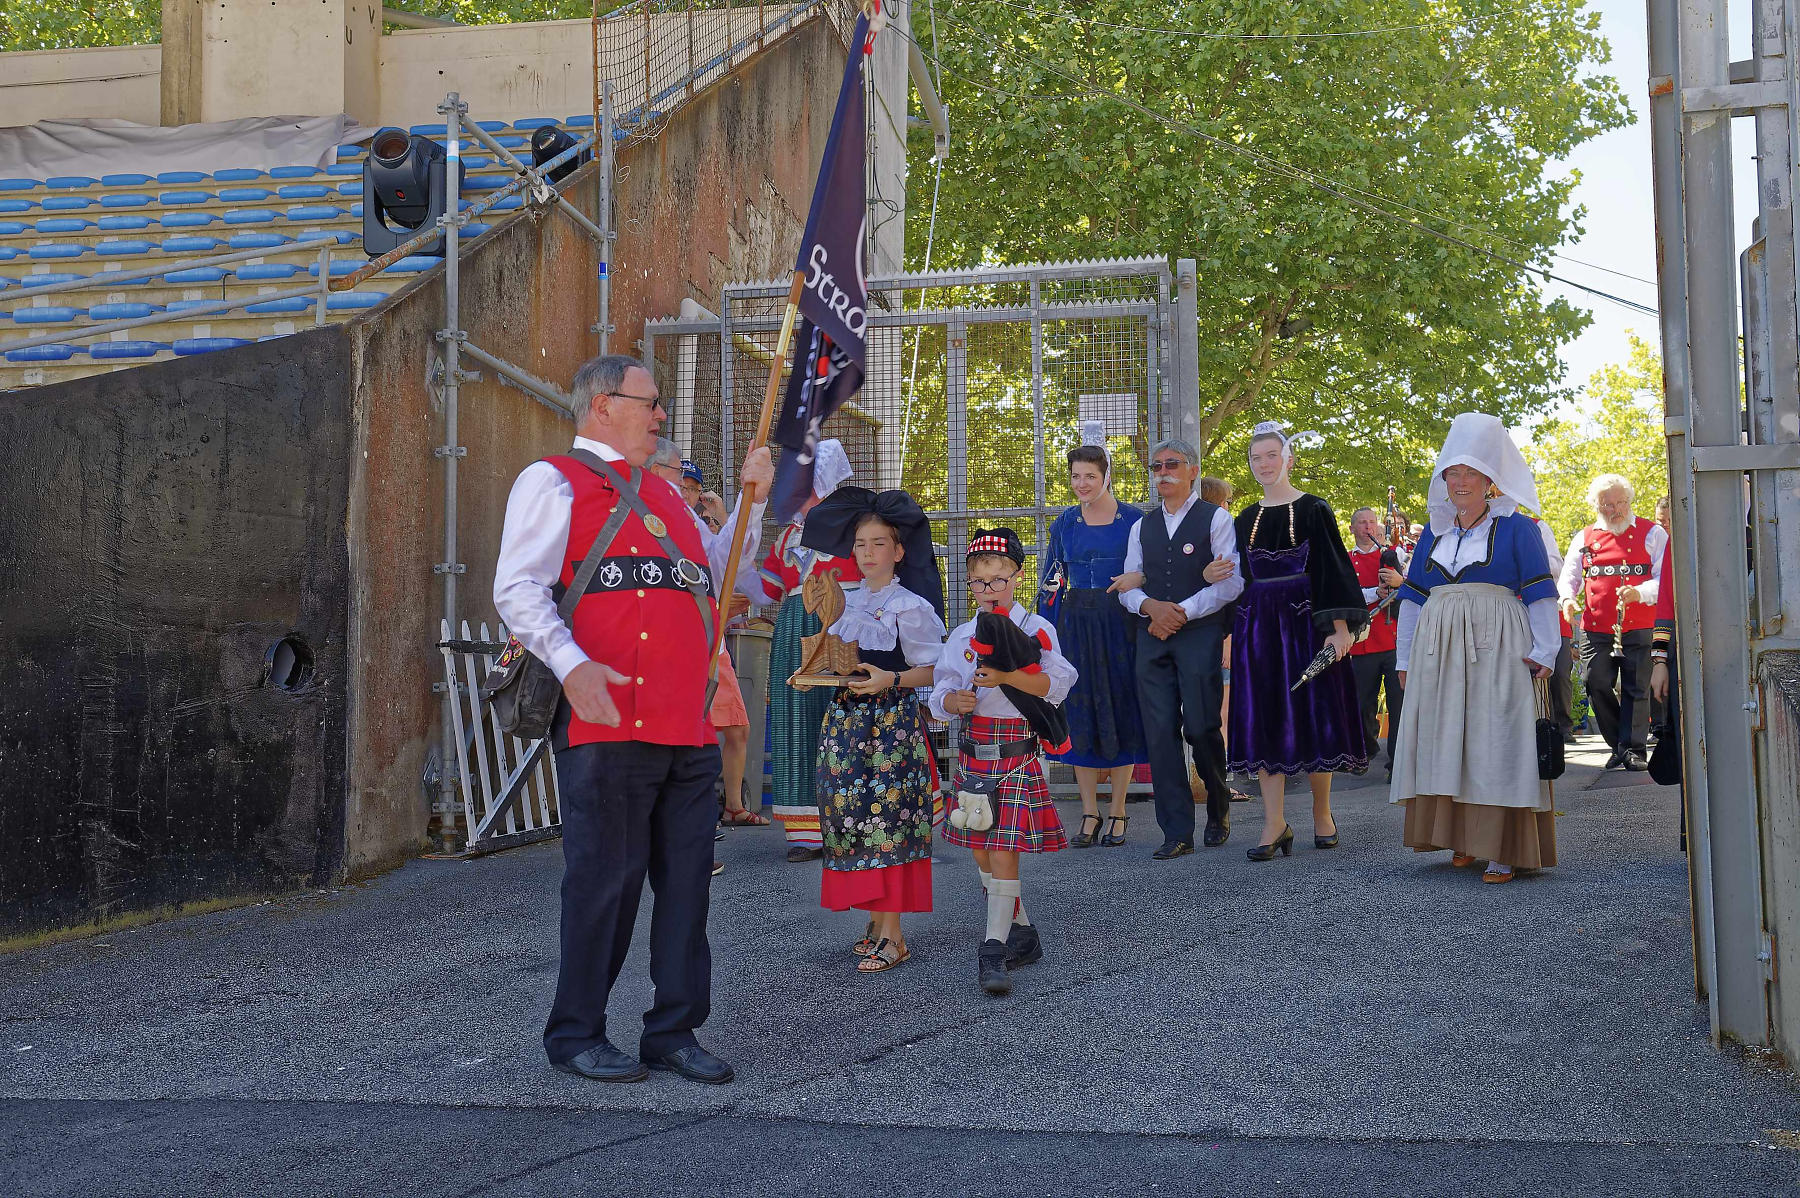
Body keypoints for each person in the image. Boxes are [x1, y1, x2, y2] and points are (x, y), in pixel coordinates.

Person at [493, 353, 771, 1086]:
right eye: (650, 404)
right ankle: (576, 1033)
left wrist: (752, 501)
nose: (660, 418)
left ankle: (673, 1030)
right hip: (608, 723)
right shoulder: (552, 479)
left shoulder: (668, 495)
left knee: (688, 888)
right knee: (603, 886)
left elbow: (720, 576)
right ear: (601, 405)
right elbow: (518, 588)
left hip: (686, 724)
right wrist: (570, 661)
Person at [1391, 412, 1560, 884]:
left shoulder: (1517, 528)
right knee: (1451, 737)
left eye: (1472, 473)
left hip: (1499, 642)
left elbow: (1540, 591)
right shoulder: (1433, 532)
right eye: (1454, 472)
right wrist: (1405, 658)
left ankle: (1501, 847)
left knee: (1494, 738)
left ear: (1491, 480)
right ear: (1443, 479)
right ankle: (1462, 839)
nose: (1461, 482)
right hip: (1438, 649)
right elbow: (1413, 600)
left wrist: (1545, 649)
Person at [801, 487, 947, 973]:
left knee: (887, 821)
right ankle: (874, 920)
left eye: (878, 543)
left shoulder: (912, 605)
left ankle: (894, 934)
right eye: (860, 544)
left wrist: (892, 679)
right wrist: (809, 674)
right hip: (845, 720)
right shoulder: (844, 600)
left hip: (891, 723)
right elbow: (834, 658)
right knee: (848, 817)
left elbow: (933, 671)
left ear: (899, 550)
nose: (867, 553)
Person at [933, 528, 1076, 994]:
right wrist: (953, 701)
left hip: (1015, 752)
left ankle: (992, 948)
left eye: (998, 580)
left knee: (1001, 850)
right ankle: (1023, 933)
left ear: (1015, 576)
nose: (989, 590)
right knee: (981, 850)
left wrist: (1007, 675)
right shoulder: (961, 635)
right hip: (975, 753)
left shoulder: (1036, 628)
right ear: (969, 583)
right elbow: (940, 688)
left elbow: (1056, 686)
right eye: (979, 582)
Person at [1220, 423, 1366, 862]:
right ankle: (1274, 822)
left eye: (1270, 455)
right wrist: (1226, 621)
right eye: (1255, 457)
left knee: (1314, 713)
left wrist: (1339, 629)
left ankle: (1323, 814)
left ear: (1288, 458)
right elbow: (1236, 577)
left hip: (1307, 623)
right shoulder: (1243, 518)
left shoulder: (1314, 509)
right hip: (1258, 630)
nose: (1263, 464)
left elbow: (1333, 570)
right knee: (1264, 716)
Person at [1117, 438, 1244, 859]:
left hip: (1198, 634)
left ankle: (1218, 800)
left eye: (1172, 464)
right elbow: (1128, 584)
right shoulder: (1141, 526)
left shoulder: (1216, 519)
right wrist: (1150, 607)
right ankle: (1176, 830)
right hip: (1152, 636)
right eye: (1156, 467)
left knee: (1202, 726)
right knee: (1160, 731)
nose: (1163, 472)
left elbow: (1230, 583)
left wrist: (1181, 613)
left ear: (1192, 470)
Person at [743, 441, 858, 861]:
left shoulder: (853, 524)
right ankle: (806, 832)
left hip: (843, 624)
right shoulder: (788, 534)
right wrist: (736, 568)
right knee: (795, 721)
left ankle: (852, 822)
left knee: (845, 719)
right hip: (794, 627)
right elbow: (768, 588)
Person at [648, 438, 769, 832]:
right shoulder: (614, 505)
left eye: (690, 484)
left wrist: (754, 499)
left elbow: (722, 561)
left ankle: (694, 827)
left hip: (698, 646)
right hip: (647, 654)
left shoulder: (684, 518)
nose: (685, 489)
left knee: (709, 733)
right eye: (677, 476)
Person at [1039, 441, 1146, 848]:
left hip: (1121, 623)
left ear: (1106, 477)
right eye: (1076, 476)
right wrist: (1044, 635)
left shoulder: (1134, 520)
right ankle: (1089, 812)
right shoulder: (1064, 523)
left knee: (1121, 710)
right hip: (1075, 626)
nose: (1082, 483)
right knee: (1078, 715)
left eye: (1090, 476)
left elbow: (1148, 572)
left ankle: (1118, 810)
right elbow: (1051, 581)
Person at [1557, 474, 1668, 770]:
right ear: (1596, 505)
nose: (1616, 510)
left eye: (1621, 502)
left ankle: (1632, 750)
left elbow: (1665, 579)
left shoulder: (1653, 534)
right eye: (1608, 504)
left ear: (1629, 501)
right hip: (1595, 626)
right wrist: (1567, 599)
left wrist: (1639, 592)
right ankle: (1619, 743)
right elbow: (1569, 576)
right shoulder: (1584, 537)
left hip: (1641, 623)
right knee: (1594, 682)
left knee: (1636, 687)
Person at [1347, 505, 1406, 778]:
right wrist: (1375, 592)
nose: (1368, 527)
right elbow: (1346, 595)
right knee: (1362, 704)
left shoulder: (1392, 558)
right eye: (1361, 522)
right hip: (1364, 643)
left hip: (1394, 641)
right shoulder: (1346, 560)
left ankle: (1397, 763)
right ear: (1352, 528)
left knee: (1398, 703)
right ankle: (1366, 749)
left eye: (1371, 522)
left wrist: (1396, 579)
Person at [1525, 513, 1578, 744]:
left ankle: (1563, 726)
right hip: (1516, 611)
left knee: (1559, 673)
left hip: (1549, 610)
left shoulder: (1537, 526)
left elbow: (1557, 566)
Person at [679, 460, 722, 533]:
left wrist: (721, 515)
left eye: (692, 489)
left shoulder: (700, 530)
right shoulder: (656, 522)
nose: (685, 494)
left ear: (700, 494)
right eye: (680, 487)